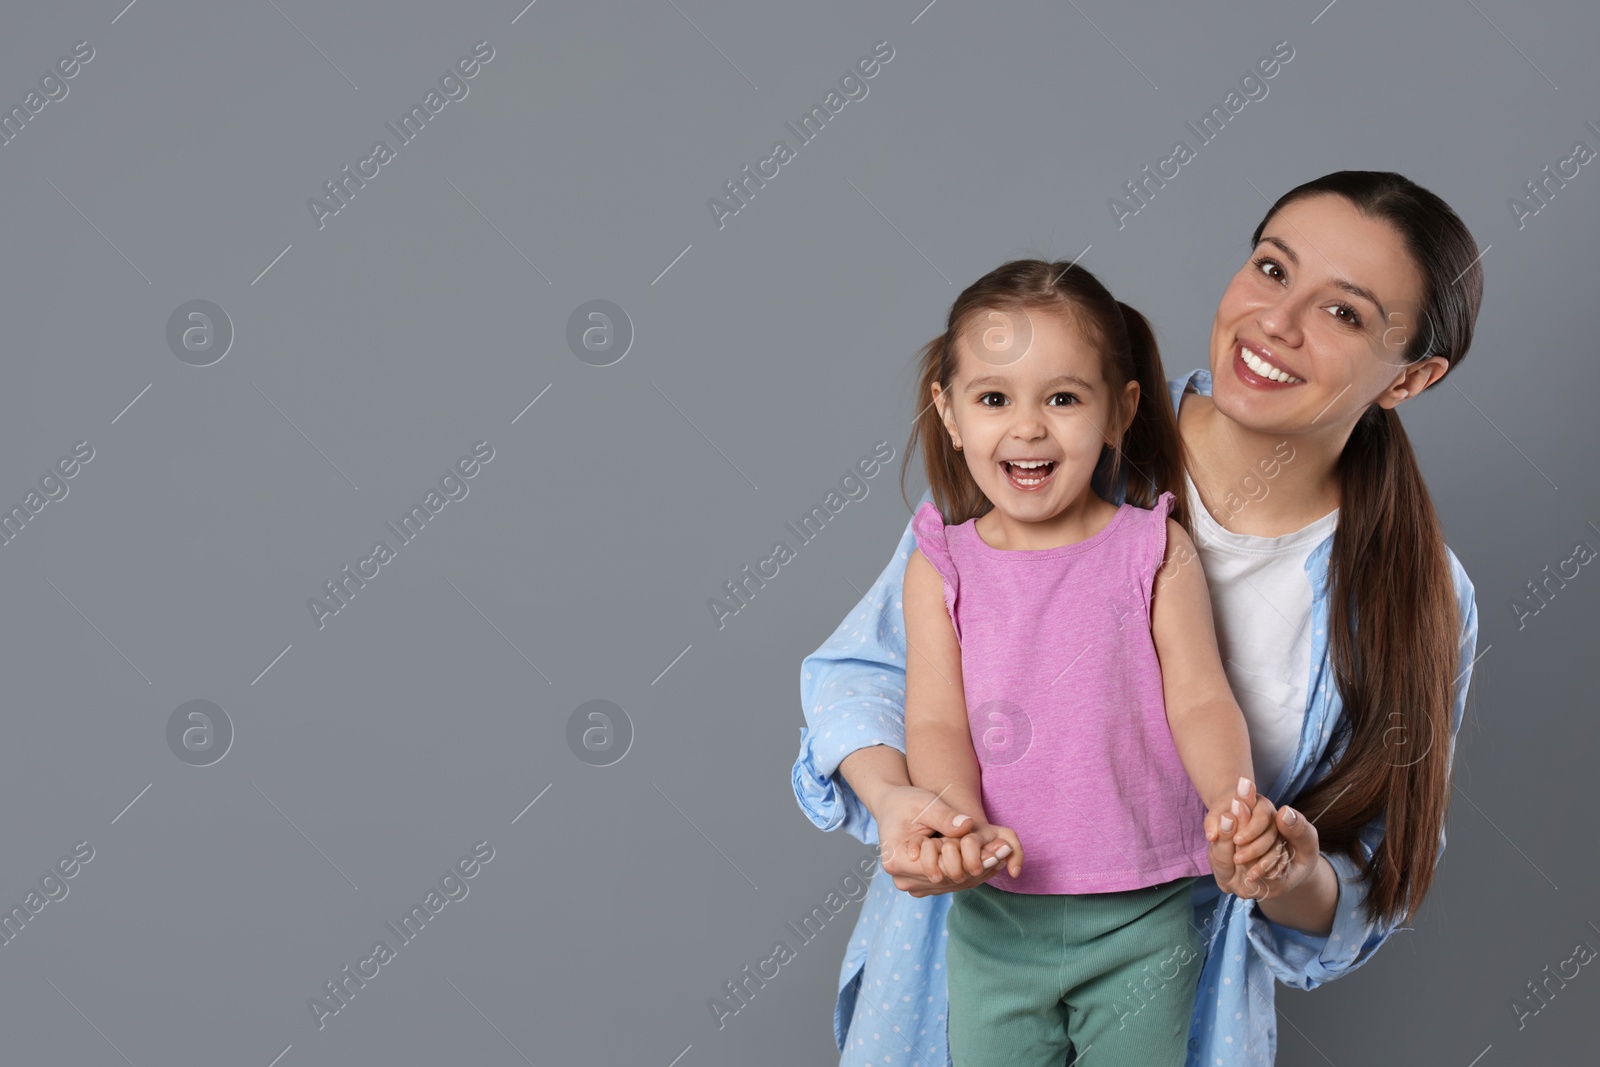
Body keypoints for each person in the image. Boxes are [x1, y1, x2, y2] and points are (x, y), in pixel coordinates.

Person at [791, 171, 1483, 1067]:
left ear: (1413, 377)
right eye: (1272, 269)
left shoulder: (1419, 594)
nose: (1276, 321)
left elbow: (1372, 880)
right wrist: (904, 808)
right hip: (971, 943)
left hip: (1176, 990)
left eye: (1344, 313)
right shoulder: (1055, 442)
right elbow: (871, 681)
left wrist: (1285, 868)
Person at [901, 257, 1283, 1066]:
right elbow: (934, 719)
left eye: (1064, 398)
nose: (1029, 427)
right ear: (950, 411)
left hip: (1142, 918)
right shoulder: (942, 563)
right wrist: (958, 822)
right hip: (997, 920)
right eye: (994, 398)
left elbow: (1202, 700)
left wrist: (1232, 801)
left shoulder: (1152, 548)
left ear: (1120, 411)